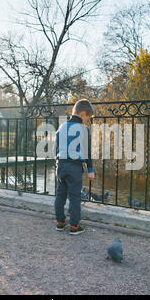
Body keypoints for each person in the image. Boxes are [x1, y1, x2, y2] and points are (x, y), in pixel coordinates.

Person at [54, 99, 95, 235]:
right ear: (83, 114)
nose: (87, 121)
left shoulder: (62, 126)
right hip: (74, 166)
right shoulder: (83, 129)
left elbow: (56, 147)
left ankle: (60, 222)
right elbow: (87, 151)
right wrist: (90, 170)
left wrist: (57, 164)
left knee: (60, 195)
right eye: (88, 118)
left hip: (60, 164)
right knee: (74, 197)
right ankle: (74, 226)